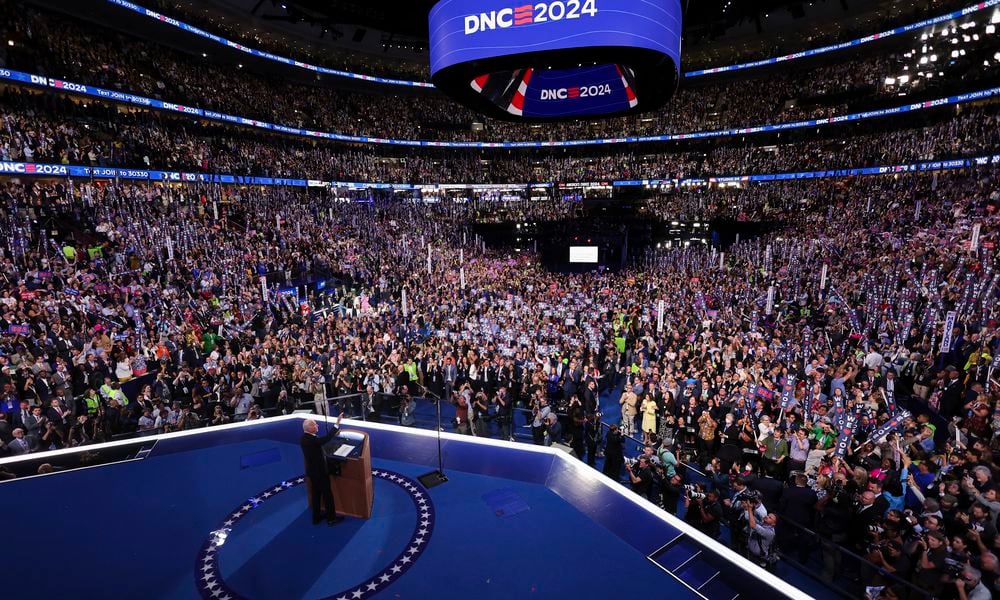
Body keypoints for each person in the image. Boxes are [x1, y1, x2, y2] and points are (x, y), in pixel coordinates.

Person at [299, 415, 344, 526]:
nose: (317, 425)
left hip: (312, 472)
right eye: (315, 424)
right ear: (309, 428)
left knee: (316, 494)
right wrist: (337, 424)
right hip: (320, 472)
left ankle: (317, 517)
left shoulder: (303, 439)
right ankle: (331, 519)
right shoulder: (313, 440)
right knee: (327, 495)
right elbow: (327, 438)